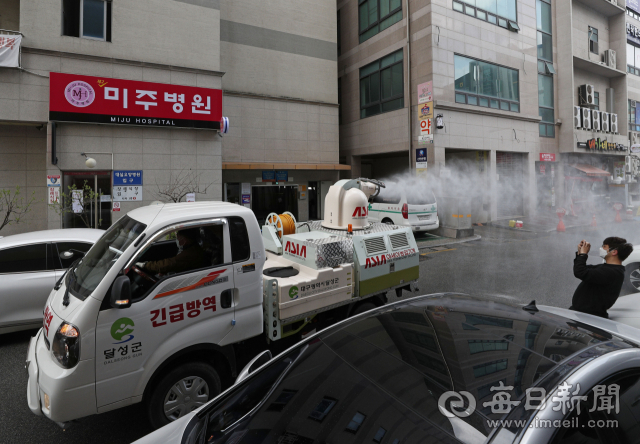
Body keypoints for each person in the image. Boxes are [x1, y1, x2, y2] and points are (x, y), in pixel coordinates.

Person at [570, 236, 633, 318]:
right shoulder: (608, 268)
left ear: (614, 252)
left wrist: (583, 254)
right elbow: (582, 268)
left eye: (604, 246)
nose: (601, 248)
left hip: (589, 317)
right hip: (583, 313)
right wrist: (580, 253)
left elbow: (580, 272)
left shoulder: (611, 272)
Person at [140, 228, 208, 275]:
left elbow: (168, 264)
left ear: (185, 241)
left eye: (178, 238)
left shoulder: (190, 253)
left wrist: (145, 265)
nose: (177, 240)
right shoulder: (191, 249)